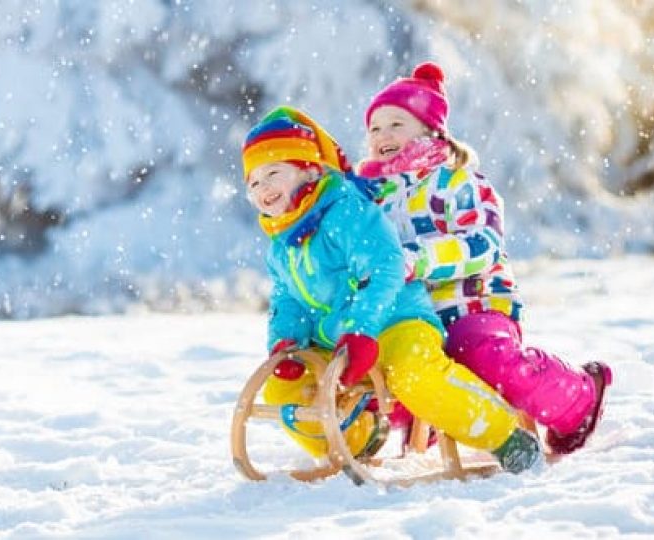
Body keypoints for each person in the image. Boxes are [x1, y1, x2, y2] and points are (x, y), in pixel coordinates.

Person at [242, 105, 540, 472]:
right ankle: (360, 436)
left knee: (415, 374)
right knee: (280, 389)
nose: (263, 188)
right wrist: (286, 340)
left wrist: (362, 330)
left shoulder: (345, 211)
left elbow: (384, 269)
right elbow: (287, 299)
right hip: (338, 336)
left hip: (396, 321)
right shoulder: (282, 245)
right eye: (253, 182)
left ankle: (504, 436)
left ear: (309, 170)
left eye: (273, 172)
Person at [357, 62, 613, 455]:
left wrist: (419, 260)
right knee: (382, 368)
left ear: (429, 129)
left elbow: (483, 245)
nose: (382, 135)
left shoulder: (458, 181)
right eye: (375, 128)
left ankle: (577, 399)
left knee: (483, 356)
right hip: (413, 319)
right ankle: (421, 421)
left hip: (475, 306)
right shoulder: (373, 198)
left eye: (396, 124)